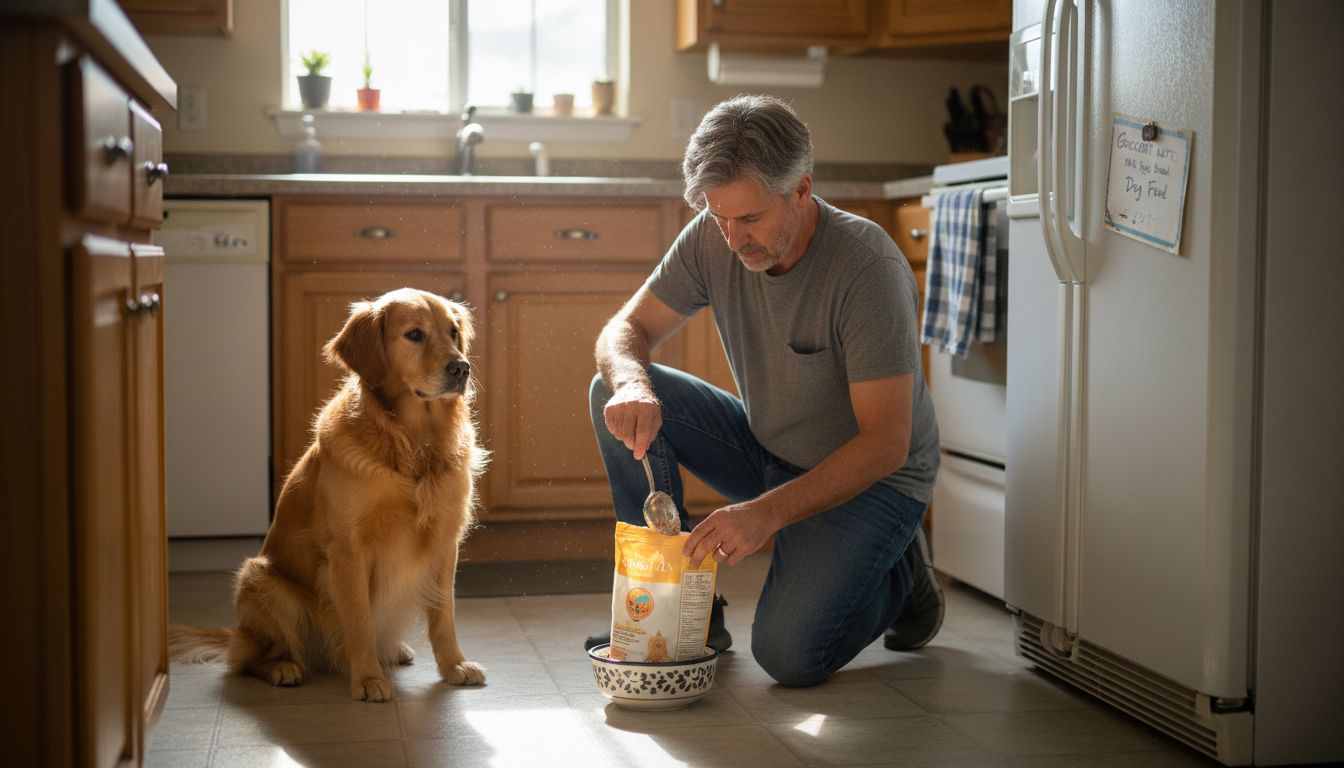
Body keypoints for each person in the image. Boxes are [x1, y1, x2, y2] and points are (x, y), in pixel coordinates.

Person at [587, 94, 943, 687]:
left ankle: (900, 574)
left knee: (788, 657)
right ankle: (680, 613)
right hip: (771, 451)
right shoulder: (714, 233)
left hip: (877, 479)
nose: (731, 238)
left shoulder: (865, 267)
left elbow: (886, 444)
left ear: (801, 191)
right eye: (718, 216)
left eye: (749, 219)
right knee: (612, 394)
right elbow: (627, 328)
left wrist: (764, 516)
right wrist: (630, 383)